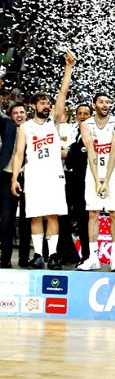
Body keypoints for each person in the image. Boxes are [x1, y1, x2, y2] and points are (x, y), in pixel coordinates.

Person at [10, 53, 73, 270]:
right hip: (34, 174)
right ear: (34, 106)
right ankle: (38, 254)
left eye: (48, 103)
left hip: (54, 174)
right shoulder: (25, 127)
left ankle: (53, 254)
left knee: (53, 213)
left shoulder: (53, 122)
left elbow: (63, 92)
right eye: (43, 103)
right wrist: (15, 179)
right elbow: (19, 155)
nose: (47, 106)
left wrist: (68, 68)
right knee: (35, 215)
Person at [76, 89, 115, 272]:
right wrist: (97, 180)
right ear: (95, 104)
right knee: (93, 213)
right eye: (101, 102)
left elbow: (114, 151)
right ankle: (93, 257)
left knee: (114, 213)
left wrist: (106, 180)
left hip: (114, 172)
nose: (105, 105)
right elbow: (90, 150)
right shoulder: (86, 124)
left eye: (107, 102)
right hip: (94, 171)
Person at [0, 93, 29, 268]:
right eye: (15, 113)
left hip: (29, 178)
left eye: (22, 112)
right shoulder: (6, 126)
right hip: (6, 176)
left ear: (27, 114)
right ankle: (5, 258)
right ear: (11, 116)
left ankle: (25, 259)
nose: (19, 115)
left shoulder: (34, 128)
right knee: (7, 220)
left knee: (27, 220)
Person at [63, 103, 92, 262]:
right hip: (69, 180)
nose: (82, 116)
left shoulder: (93, 134)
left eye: (86, 113)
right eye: (80, 113)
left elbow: (76, 155)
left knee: (83, 219)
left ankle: (87, 255)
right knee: (64, 217)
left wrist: (67, 152)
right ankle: (68, 253)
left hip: (84, 181)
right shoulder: (73, 131)